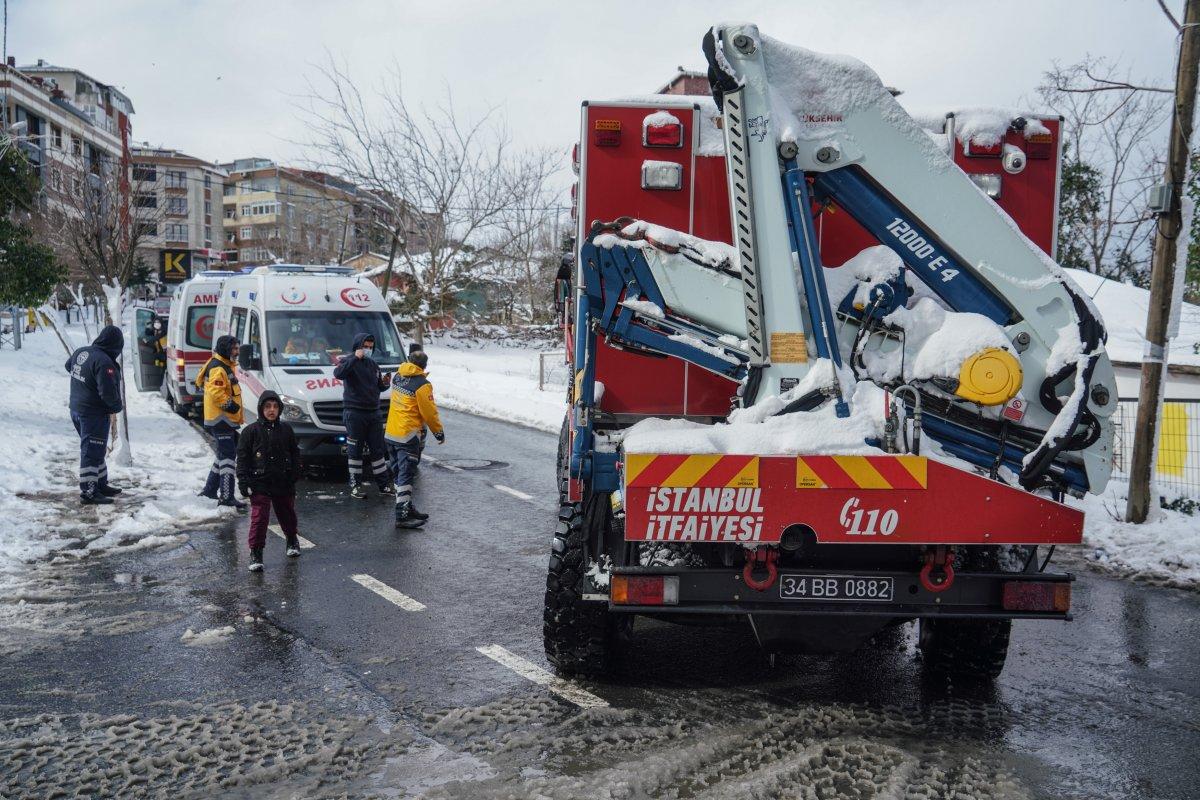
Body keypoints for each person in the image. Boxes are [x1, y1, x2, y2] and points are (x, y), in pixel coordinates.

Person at [236, 390, 302, 572]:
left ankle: (292, 540)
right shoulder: (250, 431)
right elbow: (242, 458)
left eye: (275, 407)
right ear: (260, 409)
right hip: (260, 482)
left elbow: (294, 452)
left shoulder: (286, 429)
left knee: (287, 514)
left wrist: (295, 472)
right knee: (259, 518)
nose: (271, 410)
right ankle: (256, 552)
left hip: (282, 480)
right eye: (267, 407)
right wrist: (243, 480)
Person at [65, 325, 124, 504]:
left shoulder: (81, 351)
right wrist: (116, 406)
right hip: (93, 413)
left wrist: (84, 383)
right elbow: (107, 392)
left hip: (76, 409)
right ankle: (89, 492)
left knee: (96, 449)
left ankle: (100, 484)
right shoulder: (104, 362)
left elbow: (69, 367)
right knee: (91, 451)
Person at [385, 350, 444, 528]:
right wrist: (438, 432)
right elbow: (429, 412)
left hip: (391, 433)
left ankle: (407, 507)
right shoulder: (422, 385)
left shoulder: (398, 376)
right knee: (406, 474)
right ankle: (401, 516)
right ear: (424, 366)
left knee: (397, 474)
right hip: (407, 435)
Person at [333, 332, 393, 499]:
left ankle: (383, 485)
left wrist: (385, 383)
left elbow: (378, 387)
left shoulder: (373, 364)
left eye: (370, 347)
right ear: (358, 346)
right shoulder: (348, 361)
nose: (367, 350)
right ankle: (355, 486)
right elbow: (338, 374)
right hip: (354, 413)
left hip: (374, 412)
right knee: (355, 451)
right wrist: (355, 358)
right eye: (365, 347)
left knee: (378, 450)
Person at [197, 335, 246, 510]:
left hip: (225, 419)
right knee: (227, 457)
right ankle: (226, 496)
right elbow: (216, 393)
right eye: (234, 349)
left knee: (224, 455)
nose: (237, 351)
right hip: (221, 419)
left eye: (237, 348)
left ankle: (210, 489)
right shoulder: (218, 368)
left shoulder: (224, 365)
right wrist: (231, 406)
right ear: (225, 349)